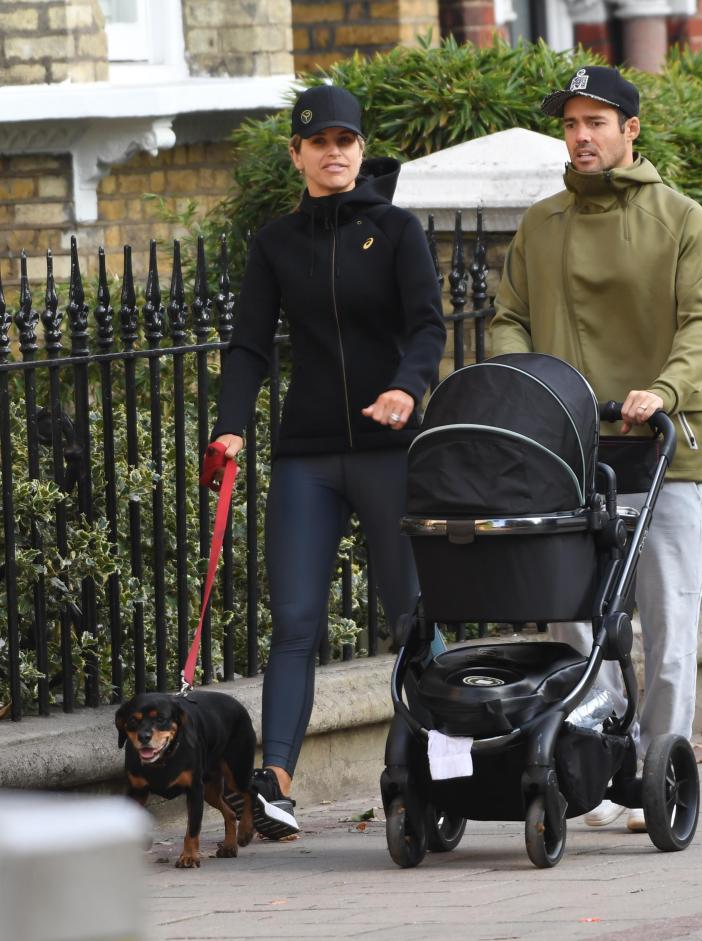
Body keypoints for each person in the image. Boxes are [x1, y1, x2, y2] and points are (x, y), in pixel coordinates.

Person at [207, 84, 446, 839]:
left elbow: (427, 329)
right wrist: (231, 427)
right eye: (320, 142)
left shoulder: (399, 231)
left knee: (412, 615)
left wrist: (407, 391)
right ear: (298, 154)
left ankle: (436, 763)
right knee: (296, 621)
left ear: (361, 150)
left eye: (346, 140)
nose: (335, 152)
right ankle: (273, 783)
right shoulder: (275, 243)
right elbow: (248, 345)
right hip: (307, 456)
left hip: (387, 451)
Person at [491, 65, 702, 832]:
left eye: (597, 122)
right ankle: (593, 757)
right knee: (577, 623)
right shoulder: (540, 225)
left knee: (666, 627)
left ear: (632, 130)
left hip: (664, 445)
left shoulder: (680, 218)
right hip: (571, 449)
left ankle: (660, 767)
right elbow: (509, 318)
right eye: (570, 124)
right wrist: (522, 386)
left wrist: (663, 386)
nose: (581, 136)